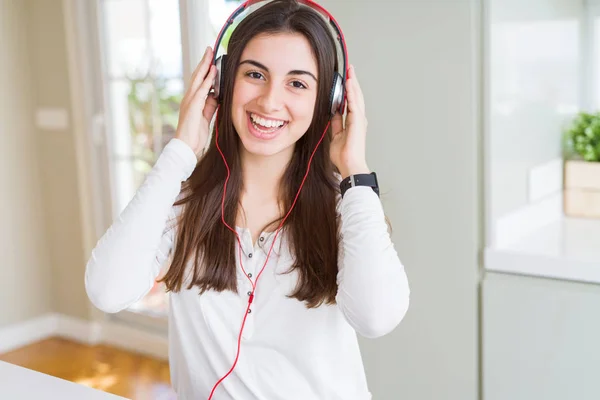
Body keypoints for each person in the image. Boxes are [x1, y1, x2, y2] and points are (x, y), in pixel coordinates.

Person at [84, 0, 410, 399]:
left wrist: (354, 168)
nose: (270, 102)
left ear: (330, 101)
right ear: (220, 83)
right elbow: (107, 289)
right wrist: (181, 149)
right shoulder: (183, 206)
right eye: (255, 74)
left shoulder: (345, 211)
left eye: (297, 83)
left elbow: (377, 317)